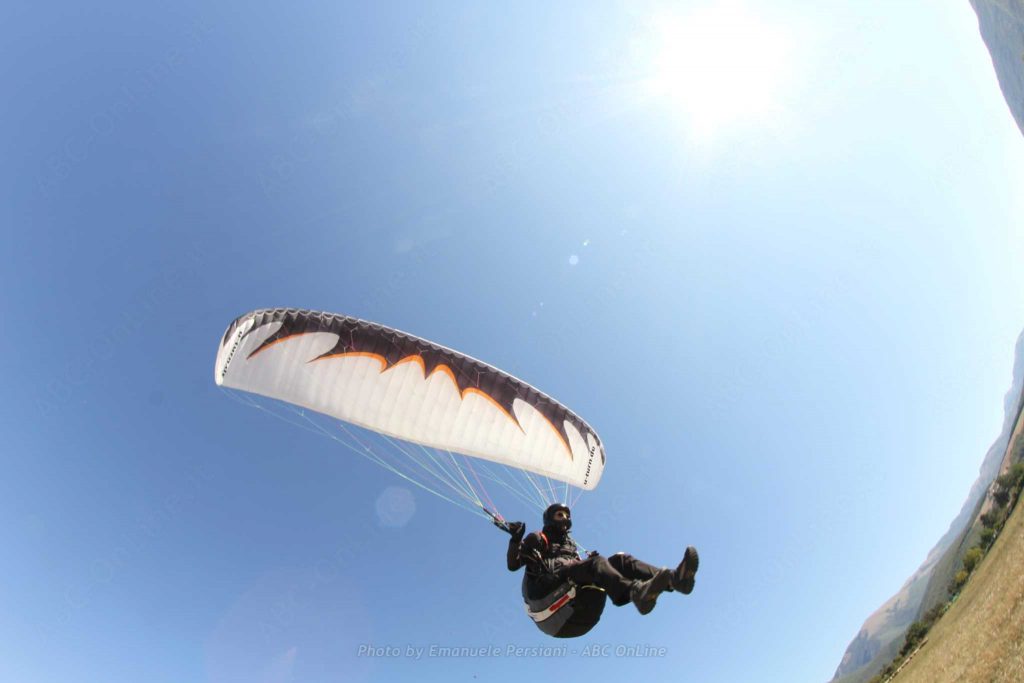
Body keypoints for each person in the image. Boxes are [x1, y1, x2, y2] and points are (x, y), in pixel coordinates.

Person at [499, 503, 699, 637]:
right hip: (544, 603)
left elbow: (578, 569)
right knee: (595, 563)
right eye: (560, 514)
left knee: (620, 560)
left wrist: (587, 564)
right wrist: (515, 539)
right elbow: (513, 565)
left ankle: (675, 580)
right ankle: (636, 593)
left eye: (567, 515)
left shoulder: (572, 549)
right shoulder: (538, 538)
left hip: (578, 612)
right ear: (550, 519)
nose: (565, 518)